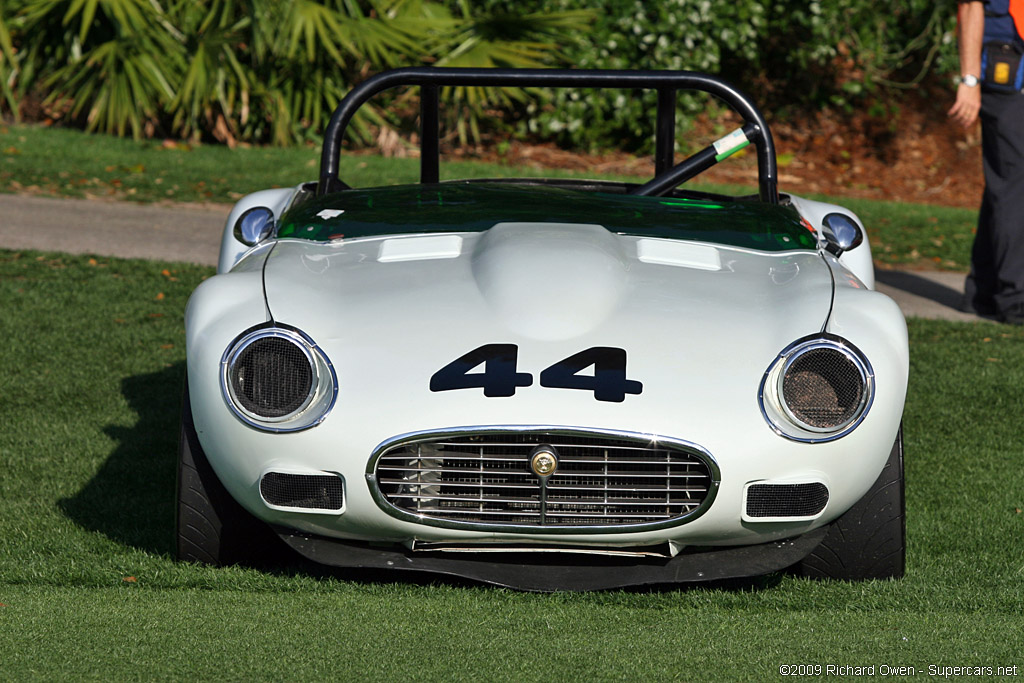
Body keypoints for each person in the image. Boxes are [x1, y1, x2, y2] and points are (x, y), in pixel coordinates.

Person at [948, 0, 1024, 324]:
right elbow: (971, 6)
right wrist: (969, 80)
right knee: (1015, 182)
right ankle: (1015, 299)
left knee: (1007, 181)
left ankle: (983, 291)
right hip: (1004, 68)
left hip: (1012, 66)